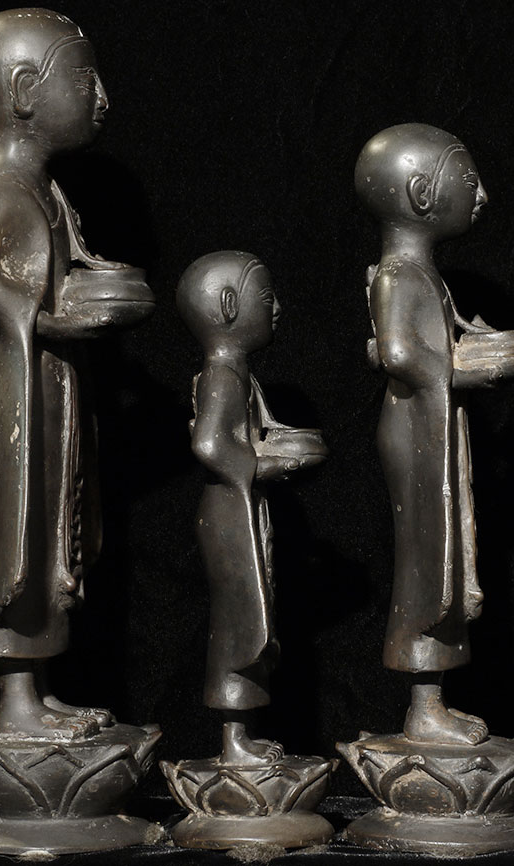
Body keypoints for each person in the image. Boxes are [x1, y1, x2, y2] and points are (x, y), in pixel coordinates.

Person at [0, 9, 145, 736]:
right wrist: (48, 317)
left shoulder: (48, 191)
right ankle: (16, 699)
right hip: (18, 372)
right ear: (26, 89)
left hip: (52, 373)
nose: (103, 98)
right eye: (86, 81)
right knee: (21, 527)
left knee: (59, 521)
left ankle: (38, 690)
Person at [355, 124, 514, 745]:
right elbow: (399, 353)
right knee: (428, 561)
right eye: (467, 179)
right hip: (415, 428)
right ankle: (423, 708)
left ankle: (431, 704)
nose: (481, 194)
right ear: (422, 194)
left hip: (430, 422)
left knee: (445, 557)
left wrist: (467, 350)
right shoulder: (398, 275)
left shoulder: (421, 274)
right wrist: (466, 368)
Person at [176, 251, 326, 764]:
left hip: (237, 508)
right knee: (241, 621)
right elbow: (208, 444)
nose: (278, 307)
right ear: (228, 305)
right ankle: (233, 739)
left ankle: (241, 734)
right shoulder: (221, 375)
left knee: (254, 614)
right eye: (266, 297)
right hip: (228, 511)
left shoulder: (236, 373)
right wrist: (263, 464)